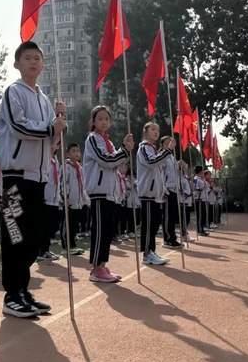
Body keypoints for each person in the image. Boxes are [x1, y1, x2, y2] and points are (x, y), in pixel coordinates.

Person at [0, 41, 66, 318]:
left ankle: (23, 291)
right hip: (15, 177)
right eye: (27, 58)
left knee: (32, 238)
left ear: (43, 65)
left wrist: (59, 124)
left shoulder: (45, 99)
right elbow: (19, 126)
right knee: (15, 235)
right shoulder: (13, 92)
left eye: (37, 58)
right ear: (17, 64)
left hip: (38, 178)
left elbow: (51, 141)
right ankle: (11, 295)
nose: (33, 62)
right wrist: (50, 127)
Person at [83, 105, 134, 283]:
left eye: (106, 119)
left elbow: (116, 165)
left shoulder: (108, 141)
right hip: (99, 192)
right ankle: (96, 269)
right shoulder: (93, 139)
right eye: (100, 119)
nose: (104, 122)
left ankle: (102, 264)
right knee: (100, 231)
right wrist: (123, 151)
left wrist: (126, 150)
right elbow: (105, 160)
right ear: (93, 121)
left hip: (110, 193)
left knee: (107, 231)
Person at [136, 122, 173, 266]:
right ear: (146, 132)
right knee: (149, 224)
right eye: (153, 129)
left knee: (155, 223)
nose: (156, 132)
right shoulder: (144, 147)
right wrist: (167, 151)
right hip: (147, 193)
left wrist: (162, 189)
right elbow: (151, 162)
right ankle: (146, 253)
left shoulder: (153, 149)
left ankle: (151, 251)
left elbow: (158, 171)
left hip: (155, 194)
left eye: (157, 130)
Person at [37, 142, 62, 263]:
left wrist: (59, 197)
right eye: (52, 144)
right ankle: (40, 250)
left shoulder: (56, 160)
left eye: (57, 144)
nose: (54, 146)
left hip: (54, 198)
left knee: (52, 225)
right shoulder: (43, 158)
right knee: (43, 226)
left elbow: (57, 181)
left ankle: (46, 249)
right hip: (45, 197)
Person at [62, 143, 87, 256]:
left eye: (78, 151)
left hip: (78, 201)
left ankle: (73, 245)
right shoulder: (66, 166)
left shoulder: (80, 168)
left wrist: (85, 200)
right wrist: (65, 197)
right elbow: (63, 183)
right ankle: (66, 246)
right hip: (69, 201)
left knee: (74, 224)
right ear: (68, 153)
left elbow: (82, 185)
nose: (76, 153)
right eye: (73, 151)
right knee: (68, 223)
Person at [160, 135, 183, 249]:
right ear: (164, 144)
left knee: (173, 215)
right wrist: (163, 187)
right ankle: (168, 239)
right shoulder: (162, 156)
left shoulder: (171, 157)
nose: (171, 143)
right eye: (168, 142)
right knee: (168, 215)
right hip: (167, 189)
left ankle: (173, 237)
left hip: (174, 188)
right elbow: (161, 172)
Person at [193, 166, 208, 236]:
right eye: (202, 171)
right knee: (200, 216)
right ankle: (199, 230)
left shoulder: (202, 179)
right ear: (199, 171)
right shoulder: (196, 179)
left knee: (203, 215)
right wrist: (202, 187)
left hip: (203, 199)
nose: (203, 172)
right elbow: (196, 188)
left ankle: (202, 229)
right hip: (199, 199)